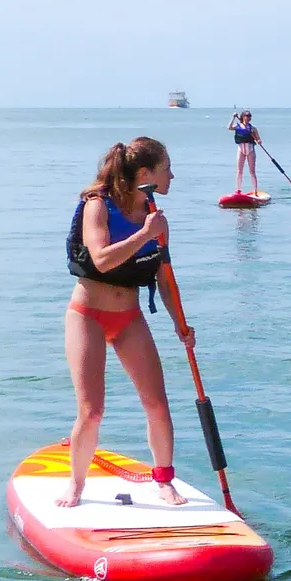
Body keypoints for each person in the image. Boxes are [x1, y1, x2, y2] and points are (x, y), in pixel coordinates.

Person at [62, 138, 193, 507]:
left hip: (129, 318)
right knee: (92, 410)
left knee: (157, 404)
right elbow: (101, 259)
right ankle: (76, 485)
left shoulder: (155, 215)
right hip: (86, 316)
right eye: (167, 168)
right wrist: (145, 234)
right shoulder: (97, 205)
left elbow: (165, 279)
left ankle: (164, 481)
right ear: (145, 174)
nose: (173, 175)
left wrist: (180, 325)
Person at [228, 111, 261, 195]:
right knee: (239, 171)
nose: (248, 118)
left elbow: (258, 139)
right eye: (246, 116)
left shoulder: (253, 128)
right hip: (241, 150)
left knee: (252, 171)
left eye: (249, 116)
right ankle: (238, 190)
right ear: (243, 117)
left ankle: (255, 191)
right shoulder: (237, 126)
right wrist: (233, 117)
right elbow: (229, 127)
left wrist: (259, 141)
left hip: (250, 150)